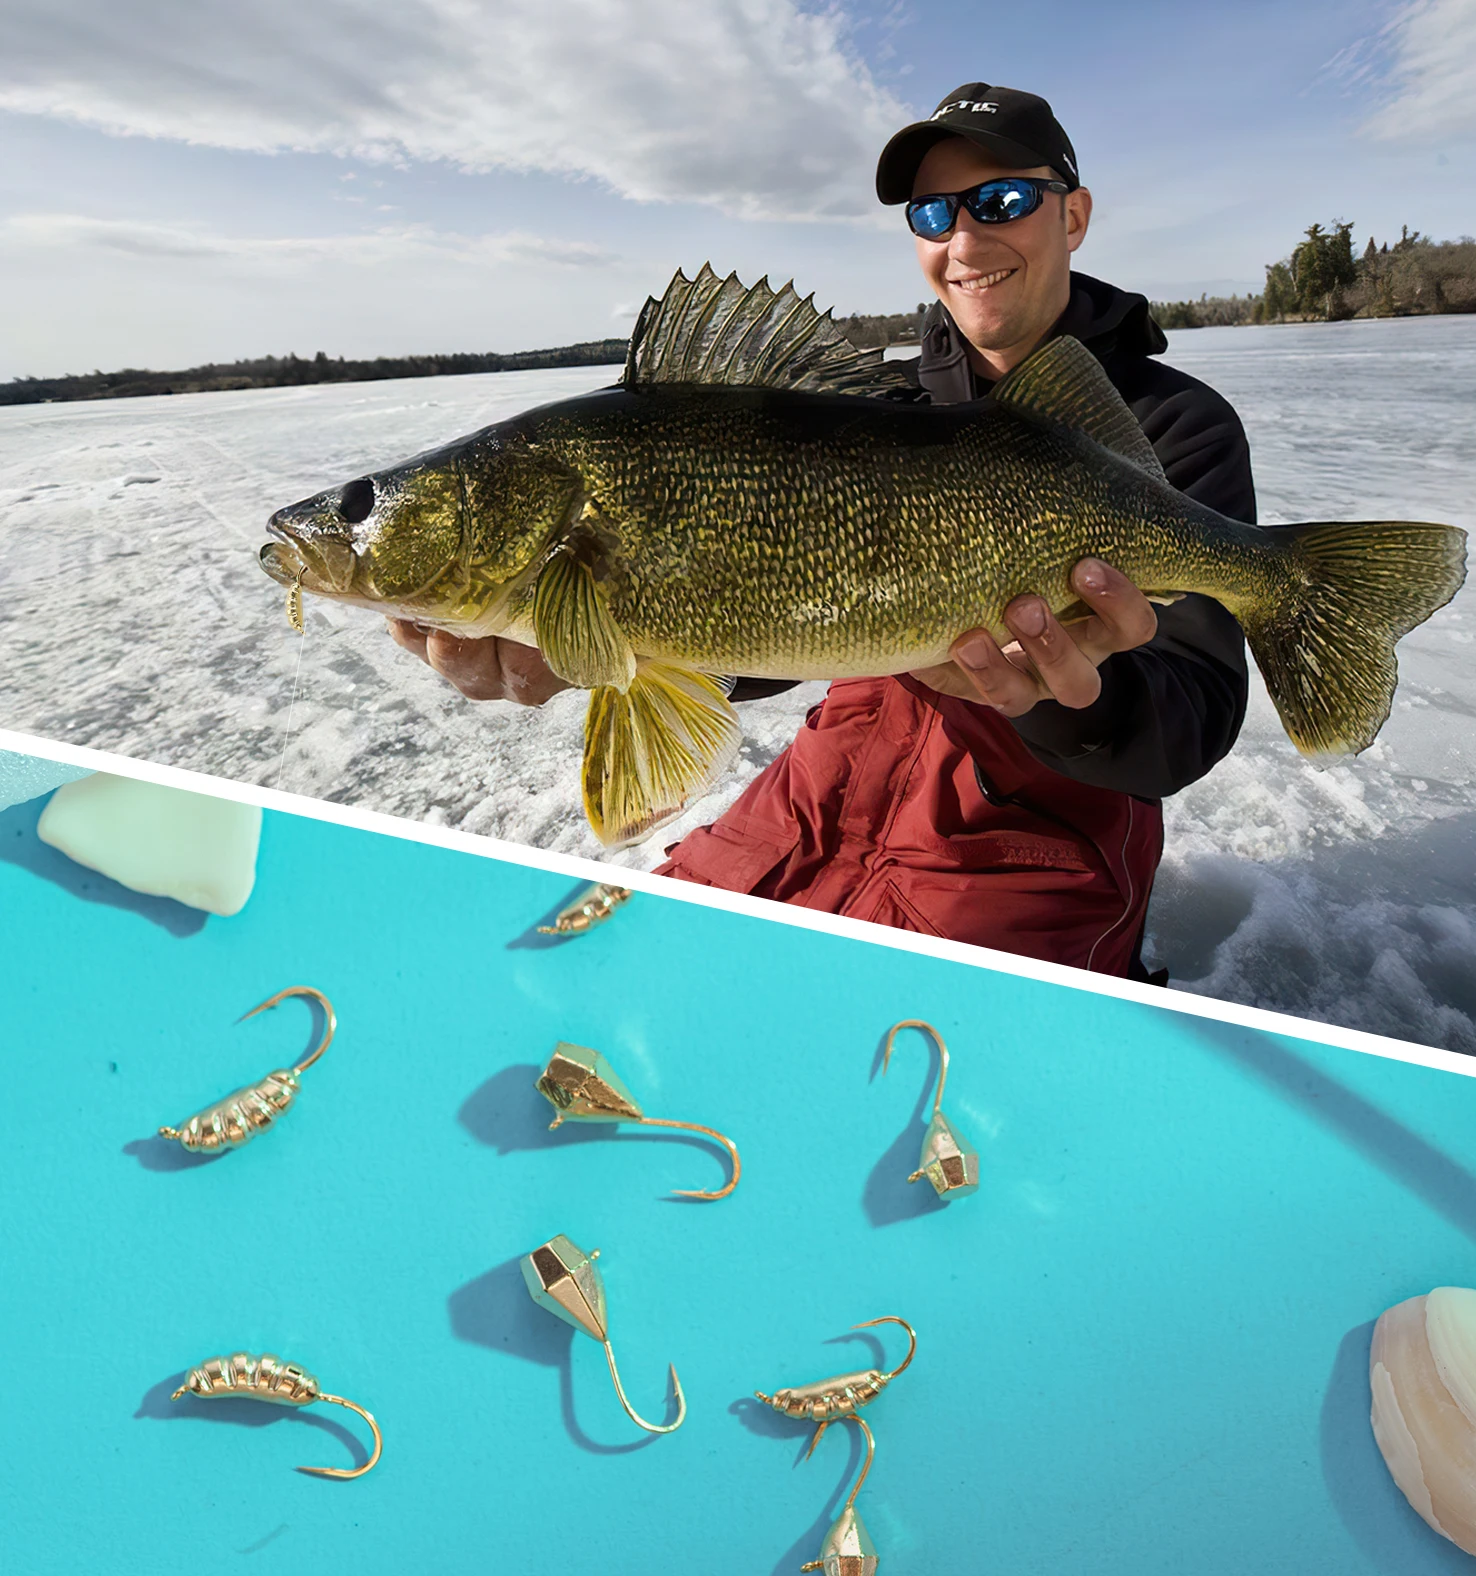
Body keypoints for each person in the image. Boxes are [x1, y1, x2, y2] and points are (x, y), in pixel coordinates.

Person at [390, 83, 1256, 979]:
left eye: (1002, 201)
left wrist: (1072, 700)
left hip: (1030, 838)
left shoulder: (1172, 429)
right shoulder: (863, 407)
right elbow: (778, 605)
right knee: (643, 969)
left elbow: (1187, 720)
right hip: (825, 786)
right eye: (932, 212)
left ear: (1072, 215)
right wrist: (619, 648)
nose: (964, 241)